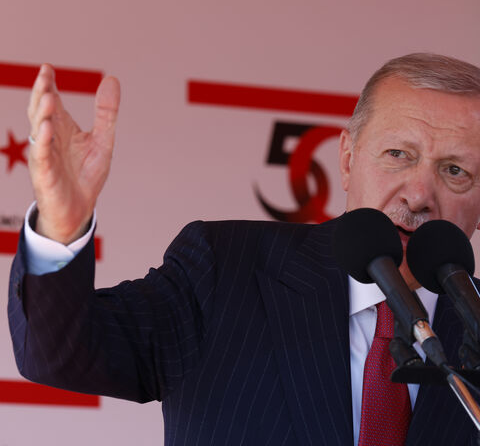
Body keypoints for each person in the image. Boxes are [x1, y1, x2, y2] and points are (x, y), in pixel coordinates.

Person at [8, 53, 480, 445]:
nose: (419, 194)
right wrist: (60, 227)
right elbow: (60, 351)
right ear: (348, 158)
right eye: (398, 154)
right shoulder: (224, 267)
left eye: (455, 171)